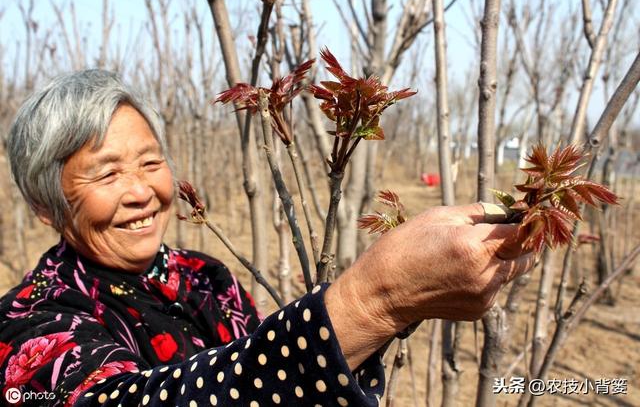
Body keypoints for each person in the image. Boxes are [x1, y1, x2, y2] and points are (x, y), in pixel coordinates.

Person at [0, 70, 534, 406]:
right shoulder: (28, 327)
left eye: (150, 162)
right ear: (45, 206)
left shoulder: (205, 278)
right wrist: (373, 301)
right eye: (107, 173)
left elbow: (276, 381)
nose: (141, 191)